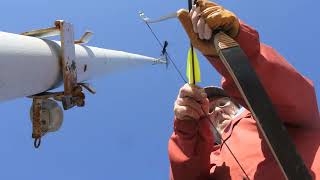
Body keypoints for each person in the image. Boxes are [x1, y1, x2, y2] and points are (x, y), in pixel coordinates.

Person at [168, 0, 320, 179]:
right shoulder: (211, 164)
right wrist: (186, 128)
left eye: (223, 102)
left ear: (238, 104)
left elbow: (292, 96)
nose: (216, 110)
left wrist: (236, 46)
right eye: (209, 111)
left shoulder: (270, 116)